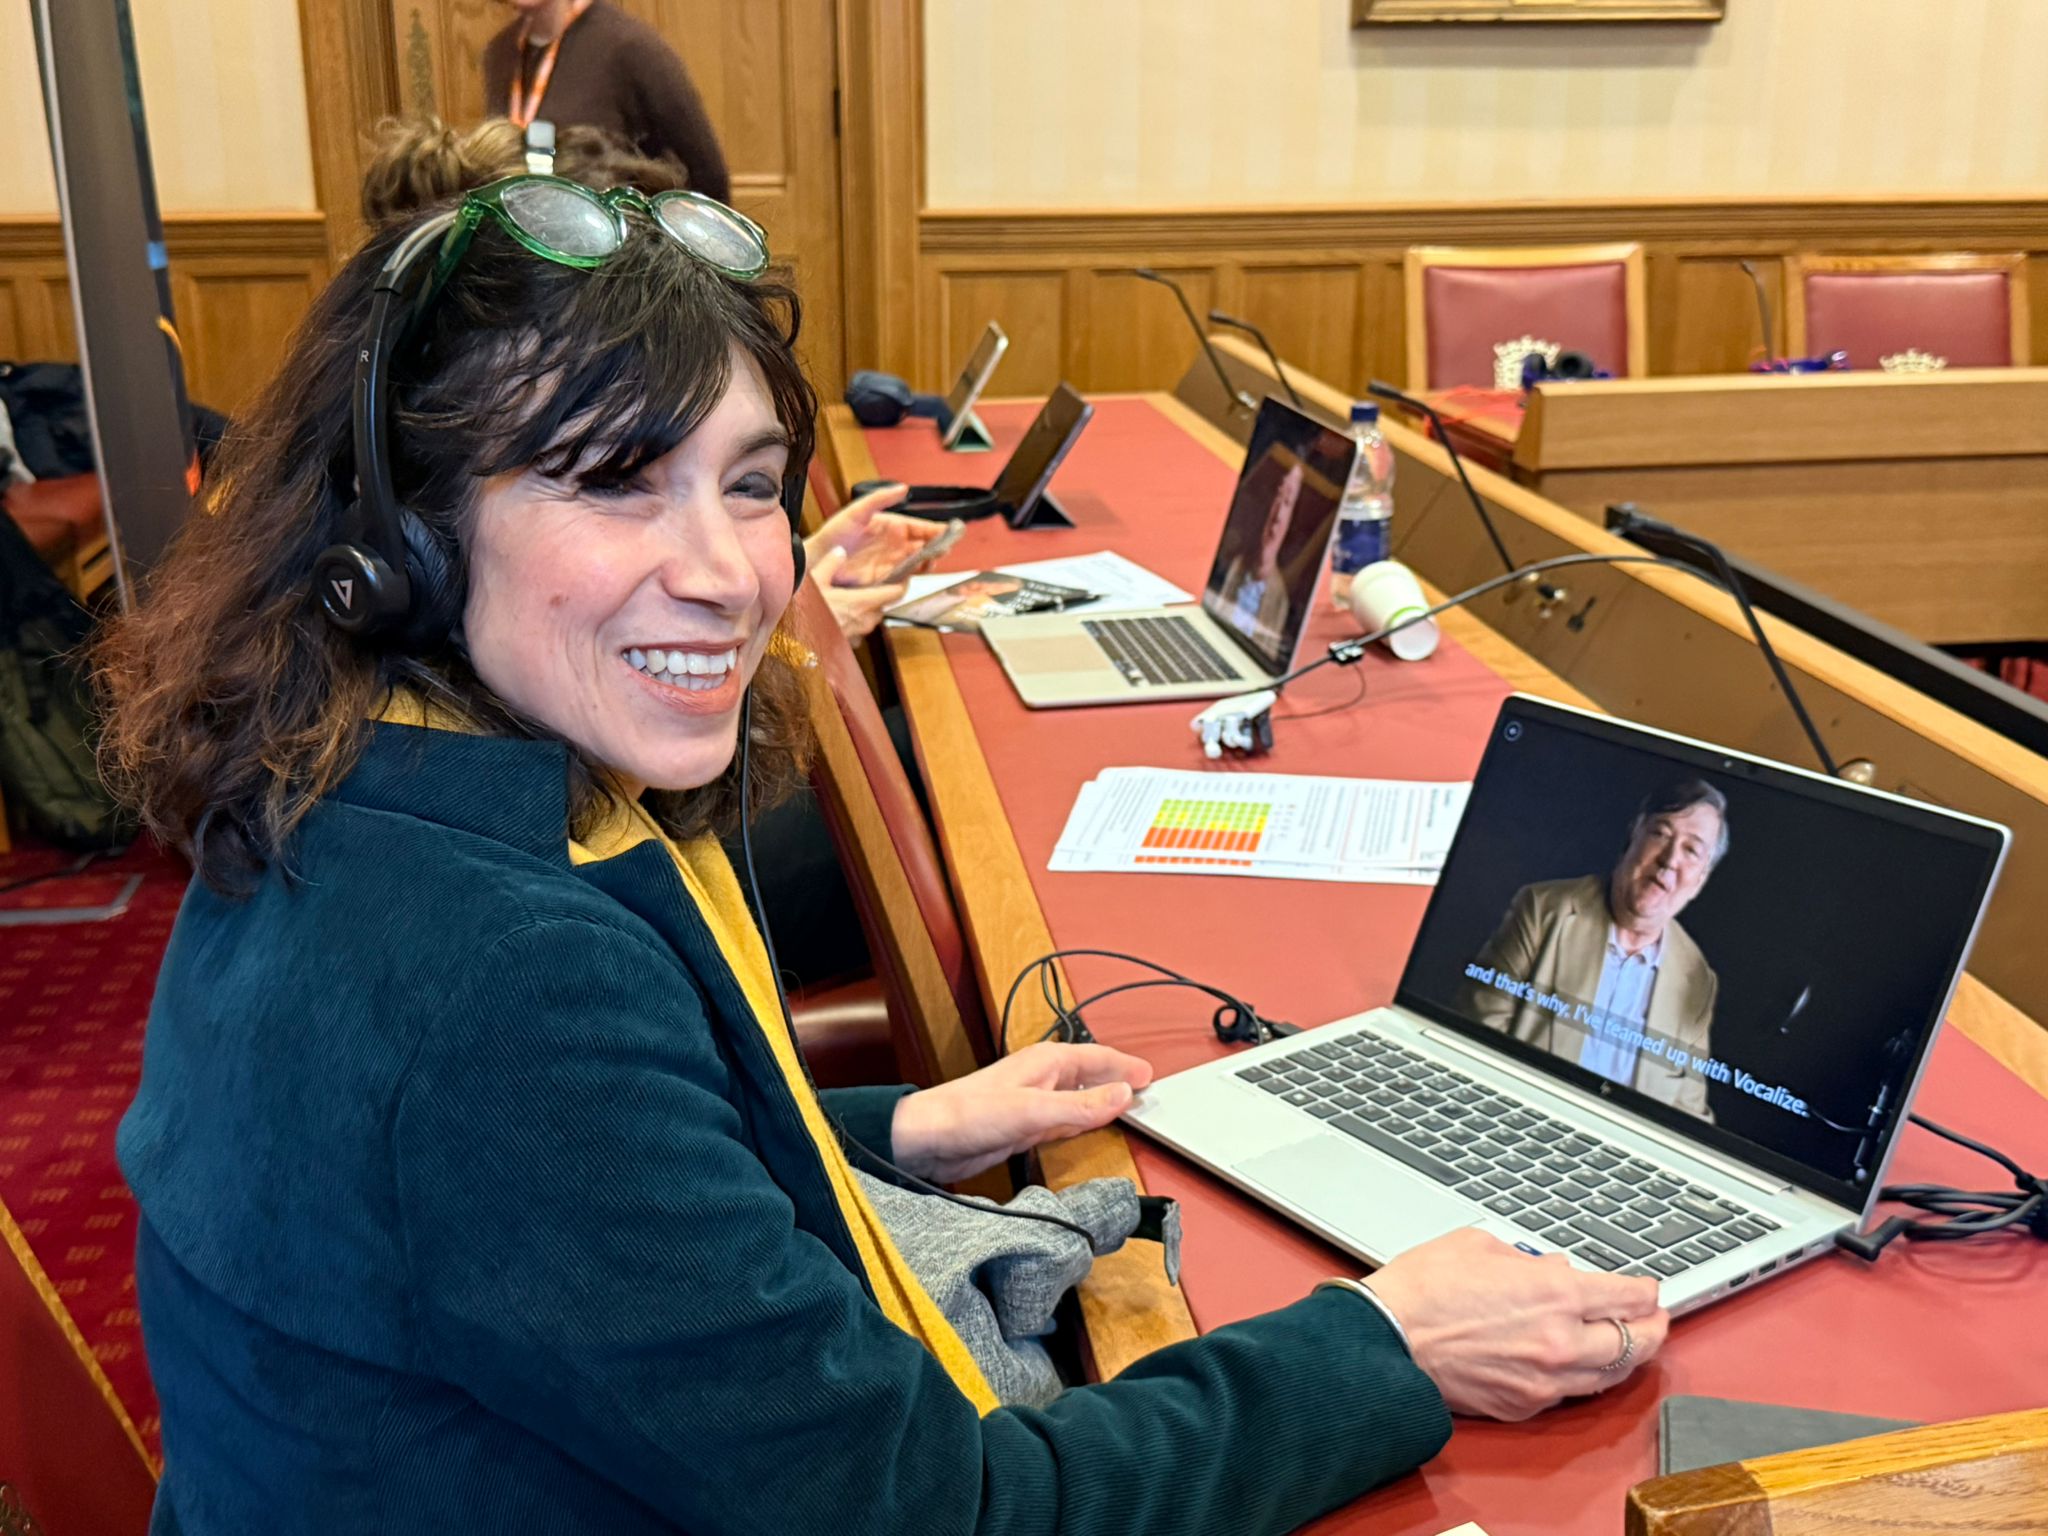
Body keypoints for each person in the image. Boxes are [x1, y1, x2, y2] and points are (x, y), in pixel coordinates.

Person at [97, 177, 1666, 1534]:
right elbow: (956, 1520)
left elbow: (549, 1204)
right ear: (407, 537)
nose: (728, 575)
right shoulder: (506, 994)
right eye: (613, 481)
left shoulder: (352, 788)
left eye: (753, 484)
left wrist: (892, 1125)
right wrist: (1383, 1344)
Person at [1461, 780, 1729, 1120]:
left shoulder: (1698, 979)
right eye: (1661, 833)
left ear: (1700, 881)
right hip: (1517, 1115)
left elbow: (1689, 1115)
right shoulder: (1543, 910)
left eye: (1692, 850)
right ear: (1634, 835)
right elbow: (1473, 1034)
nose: (1670, 860)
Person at [482, 0, 731, 202]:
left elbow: (708, 174)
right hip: (531, 245)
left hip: (621, 251)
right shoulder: (499, 53)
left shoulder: (631, 47)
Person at [1216, 457, 1302, 647]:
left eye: (1287, 503)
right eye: (1277, 498)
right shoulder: (1228, 565)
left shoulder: (1279, 599)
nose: (1278, 515)